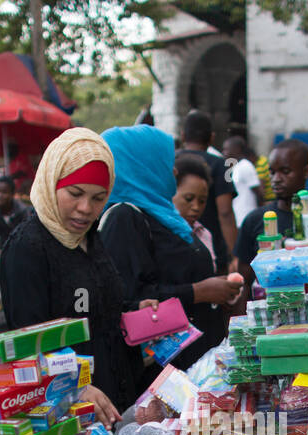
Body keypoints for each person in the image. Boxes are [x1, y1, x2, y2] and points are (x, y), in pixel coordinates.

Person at [0, 127, 146, 419]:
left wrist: (135, 309)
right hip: (66, 412)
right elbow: (28, 341)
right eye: (75, 194)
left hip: (112, 401)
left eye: (98, 198)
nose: (85, 209)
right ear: (52, 183)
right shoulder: (27, 248)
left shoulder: (90, 237)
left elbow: (95, 307)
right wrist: (74, 386)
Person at [96, 128, 240, 375]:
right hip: (166, 372)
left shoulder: (164, 216)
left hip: (197, 359)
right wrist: (198, 293)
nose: (174, 171)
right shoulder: (124, 218)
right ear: (143, 165)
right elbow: (130, 300)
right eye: (167, 163)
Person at [232, 138, 308, 295]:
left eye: (285, 171)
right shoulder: (255, 220)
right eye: (272, 172)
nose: (276, 179)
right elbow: (244, 284)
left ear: (306, 172)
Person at [178, 110, 236, 272]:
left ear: (183, 136)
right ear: (212, 137)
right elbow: (225, 212)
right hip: (214, 251)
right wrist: (234, 255)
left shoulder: (171, 160)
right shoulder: (223, 165)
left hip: (176, 247)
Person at [221, 136, 263, 227]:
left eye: (226, 149)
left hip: (246, 216)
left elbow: (259, 192)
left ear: (237, 149)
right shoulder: (236, 166)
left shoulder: (245, 165)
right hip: (238, 218)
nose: (224, 153)